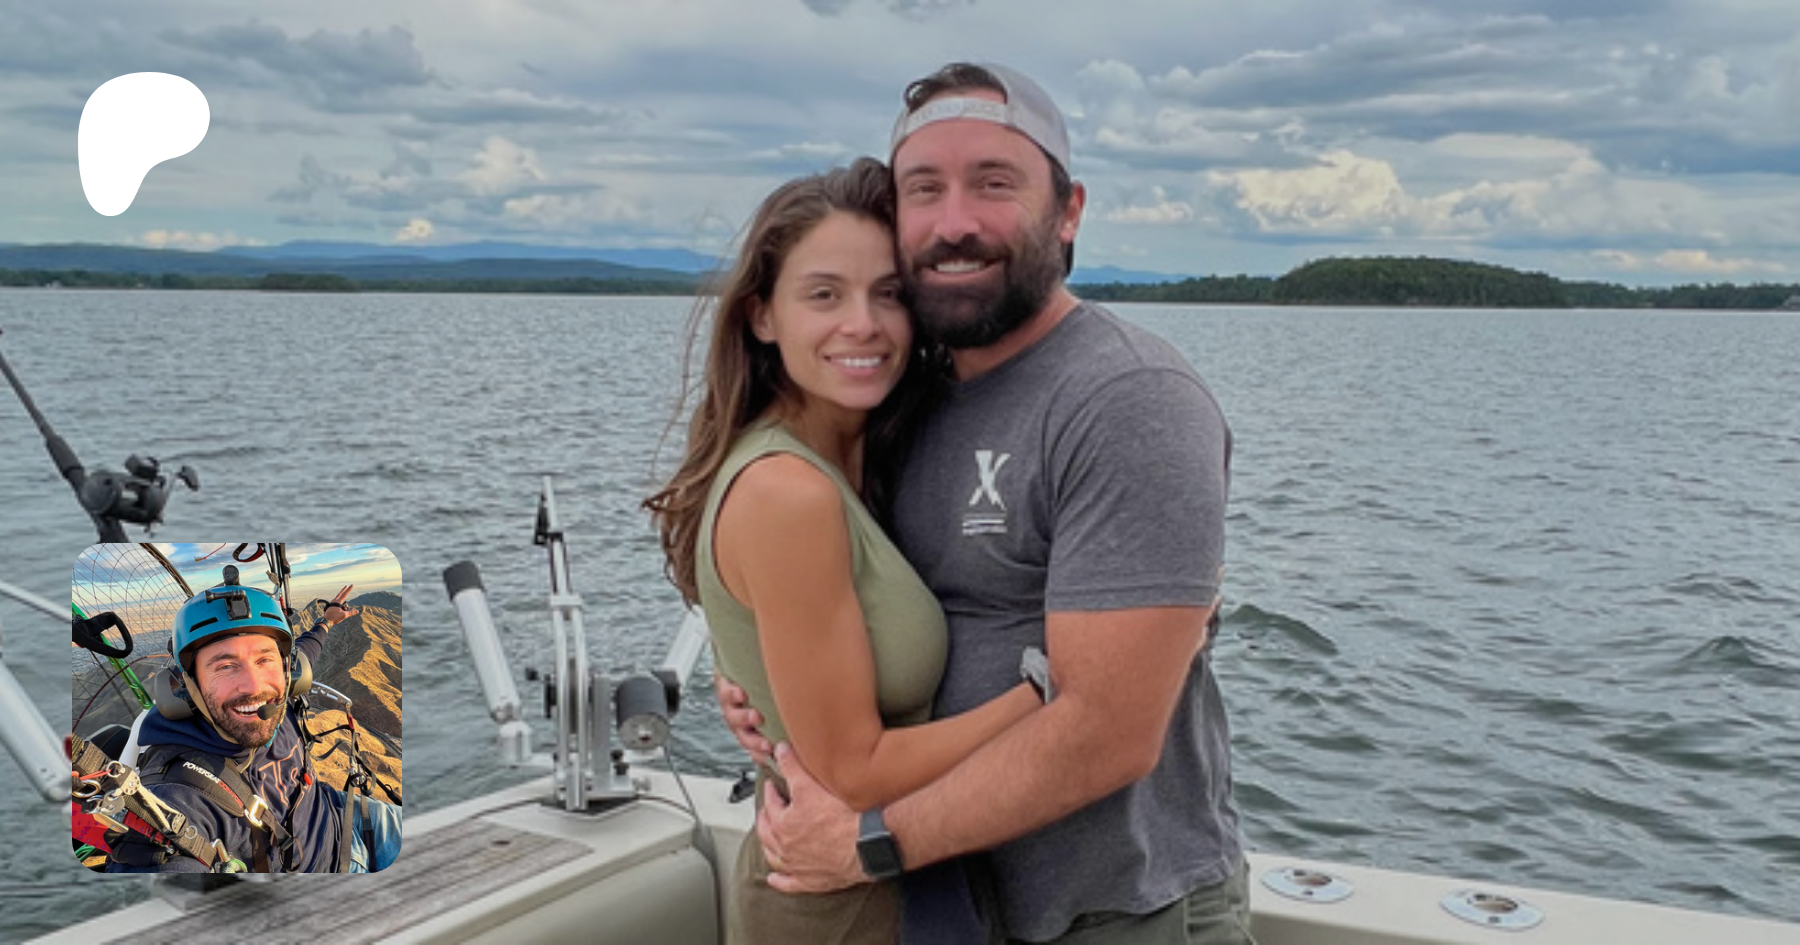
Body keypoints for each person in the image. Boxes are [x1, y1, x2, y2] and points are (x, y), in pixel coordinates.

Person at [730, 62, 1252, 943]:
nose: (954, 223)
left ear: (1069, 211)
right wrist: (760, 685)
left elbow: (1108, 732)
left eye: (994, 183)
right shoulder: (904, 397)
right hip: (955, 910)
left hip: (1119, 913)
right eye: (923, 190)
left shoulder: (1128, 398)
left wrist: (871, 846)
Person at [644, 157, 1046, 942]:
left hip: (904, 879)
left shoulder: (863, 459)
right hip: (835, 900)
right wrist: (1049, 696)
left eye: (888, 293)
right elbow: (854, 770)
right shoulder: (786, 492)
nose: (862, 323)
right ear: (763, 315)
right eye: (824, 294)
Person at [103, 575, 401, 873]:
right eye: (226, 666)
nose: (255, 687)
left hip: (340, 811)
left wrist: (327, 621)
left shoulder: (282, 691)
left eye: (264, 660)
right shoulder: (179, 793)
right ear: (186, 684)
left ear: (289, 670)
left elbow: (306, 648)